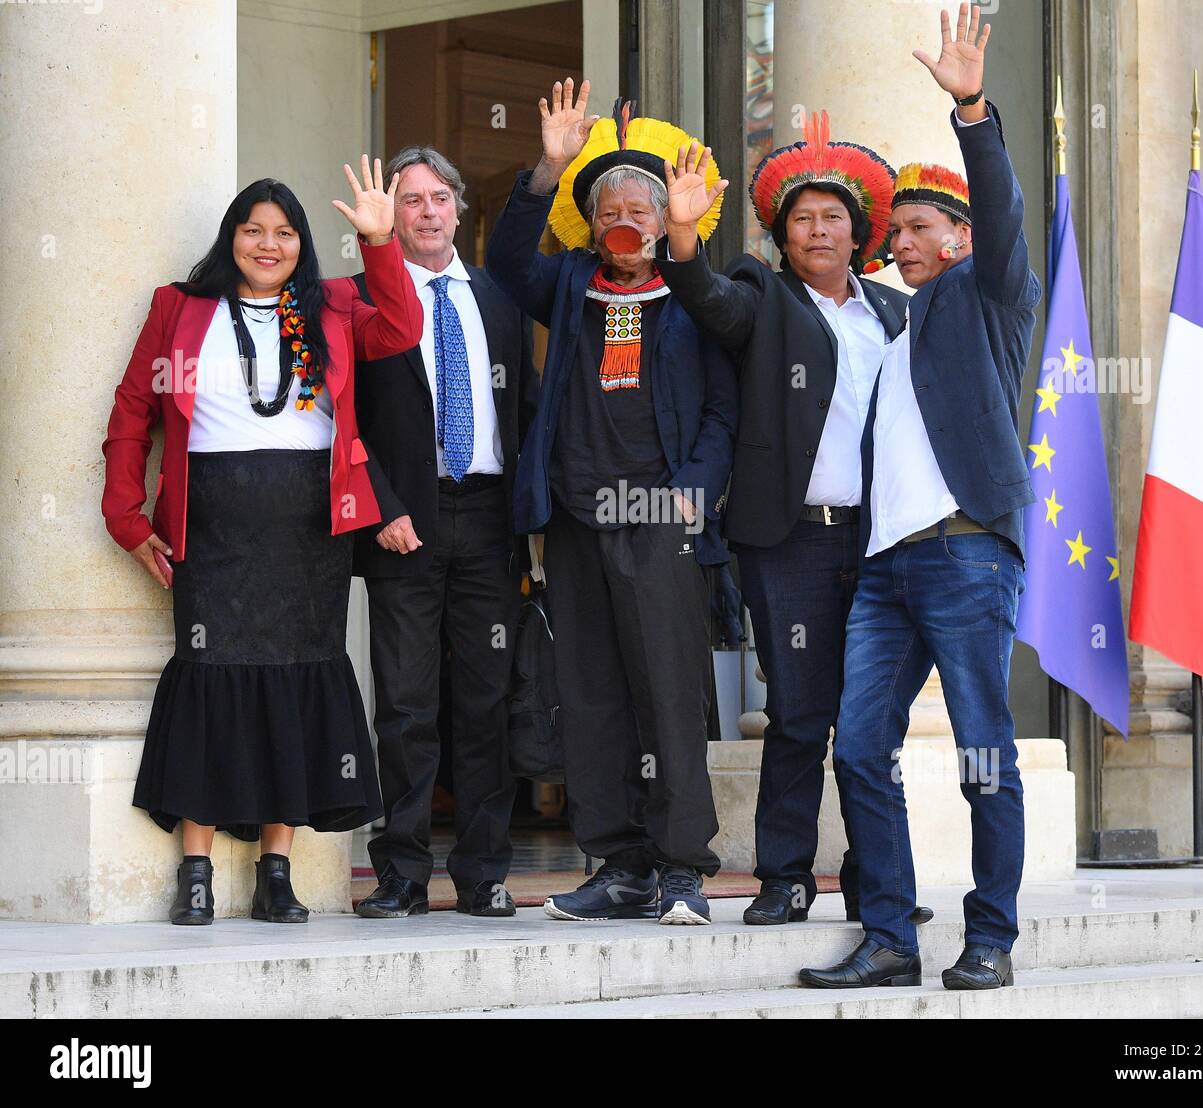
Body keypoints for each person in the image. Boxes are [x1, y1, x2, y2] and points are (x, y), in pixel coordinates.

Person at [102, 158, 422, 925]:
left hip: (309, 522)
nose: (268, 244)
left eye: (284, 233)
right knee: (211, 676)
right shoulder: (179, 308)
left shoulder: (336, 306)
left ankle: (277, 869)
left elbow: (403, 327)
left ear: (302, 245)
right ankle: (198, 871)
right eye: (254, 230)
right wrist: (127, 520)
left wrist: (381, 244)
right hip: (211, 522)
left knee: (298, 680)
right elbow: (131, 413)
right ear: (232, 238)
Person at [799, 3, 1041, 990]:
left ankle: (991, 934)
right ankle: (891, 934)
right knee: (857, 748)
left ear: (958, 241)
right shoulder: (891, 332)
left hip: (965, 552)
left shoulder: (985, 298)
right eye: (891, 230)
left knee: (983, 751)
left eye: (916, 229)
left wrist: (971, 110)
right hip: (886, 570)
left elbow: (1003, 209)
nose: (897, 241)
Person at [657, 106, 925, 927]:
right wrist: (682, 231)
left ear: (859, 234)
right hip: (793, 542)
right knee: (802, 714)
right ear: (782, 234)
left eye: (833, 218)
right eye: (802, 218)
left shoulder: (894, 314)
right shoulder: (760, 296)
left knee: (872, 724)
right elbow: (703, 297)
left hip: (882, 542)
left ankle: (879, 885)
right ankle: (785, 879)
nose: (818, 230)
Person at [486, 78, 738, 925]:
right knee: (588, 694)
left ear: (667, 218)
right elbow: (508, 263)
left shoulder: (696, 294)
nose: (622, 221)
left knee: (667, 693)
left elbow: (719, 415)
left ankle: (679, 868)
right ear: (590, 223)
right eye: (608, 209)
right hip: (575, 518)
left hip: (659, 521)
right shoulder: (567, 285)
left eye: (641, 207)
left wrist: (689, 501)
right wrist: (546, 171)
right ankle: (618, 861)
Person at [351, 146, 536, 920]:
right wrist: (384, 505)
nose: (426, 211)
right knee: (405, 702)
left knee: (487, 700)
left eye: (438, 198)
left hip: (490, 518)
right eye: (410, 200)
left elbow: (522, 403)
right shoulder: (363, 297)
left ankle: (484, 873)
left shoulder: (497, 296)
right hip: (407, 523)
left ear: (460, 209)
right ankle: (399, 871)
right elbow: (348, 419)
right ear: (392, 215)